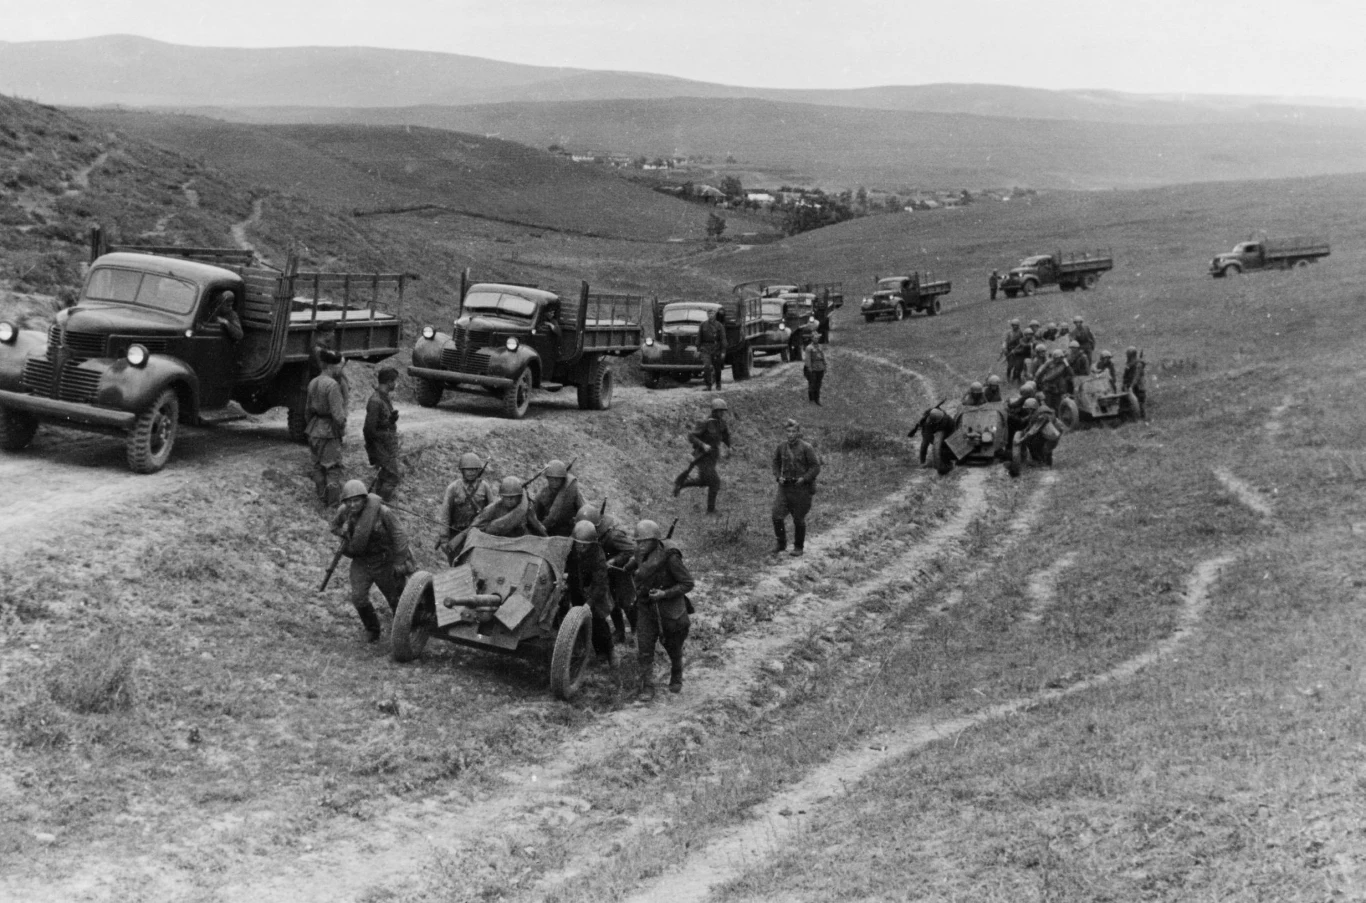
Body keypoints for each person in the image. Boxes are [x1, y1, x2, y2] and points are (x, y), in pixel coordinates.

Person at [330, 479, 414, 641]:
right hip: (361, 561)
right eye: (349, 501)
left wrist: (399, 561)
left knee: (396, 598)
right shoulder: (344, 511)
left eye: (356, 501)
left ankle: (405, 630)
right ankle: (372, 629)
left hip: (384, 561)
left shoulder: (383, 512)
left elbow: (400, 535)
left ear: (364, 499)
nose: (353, 505)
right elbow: (333, 527)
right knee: (358, 597)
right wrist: (343, 531)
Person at [633, 518, 695, 697]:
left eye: (644, 541)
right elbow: (637, 565)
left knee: (673, 646)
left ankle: (677, 673)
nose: (640, 545)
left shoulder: (671, 557)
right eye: (638, 541)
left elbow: (687, 583)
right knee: (644, 647)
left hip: (668, 608)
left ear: (654, 541)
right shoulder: (639, 553)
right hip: (646, 606)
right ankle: (647, 686)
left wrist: (665, 594)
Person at [576, 503, 638, 643]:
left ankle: (636, 629)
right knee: (612, 603)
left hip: (621, 574)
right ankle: (620, 632)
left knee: (626, 603)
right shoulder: (588, 536)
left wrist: (614, 561)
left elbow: (632, 550)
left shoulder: (613, 535)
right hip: (605, 574)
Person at [567, 521, 617, 669]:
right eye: (578, 544)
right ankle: (597, 652)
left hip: (594, 592)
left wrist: (589, 603)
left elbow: (600, 584)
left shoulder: (598, 556)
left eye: (585, 545)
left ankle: (610, 651)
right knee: (581, 622)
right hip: (577, 587)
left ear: (592, 544)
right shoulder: (572, 549)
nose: (581, 548)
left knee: (598, 621)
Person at [771, 418, 821, 557]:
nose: (791, 434)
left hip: (801, 488)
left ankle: (798, 547)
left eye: (793, 431)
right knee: (776, 515)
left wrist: (804, 478)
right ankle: (781, 543)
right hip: (785, 487)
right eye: (788, 431)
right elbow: (775, 463)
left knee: (798, 518)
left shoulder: (806, 447)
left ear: (798, 433)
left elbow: (815, 467)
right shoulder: (781, 447)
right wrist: (777, 476)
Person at [674, 397, 732, 514]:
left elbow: (725, 436)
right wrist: (703, 444)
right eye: (720, 411)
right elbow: (691, 436)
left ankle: (682, 484)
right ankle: (711, 510)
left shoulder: (722, 423)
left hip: (713, 457)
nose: (722, 413)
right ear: (714, 411)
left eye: (723, 411)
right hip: (703, 457)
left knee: (704, 481)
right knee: (715, 482)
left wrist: (730, 447)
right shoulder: (705, 423)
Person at [306, 349, 348, 507]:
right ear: (333, 366)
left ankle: (321, 498)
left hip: (314, 429)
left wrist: (311, 428)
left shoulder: (313, 382)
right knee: (332, 468)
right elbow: (338, 415)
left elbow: (307, 411)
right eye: (339, 366)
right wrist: (343, 430)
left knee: (318, 466)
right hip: (329, 431)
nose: (340, 369)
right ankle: (332, 504)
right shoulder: (332, 385)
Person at [438, 453, 496, 563]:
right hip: (457, 533)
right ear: (462, 470)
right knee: (457, 564)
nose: (471, 472)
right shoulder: (453, 488)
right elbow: (445, 514)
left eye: (474, 469)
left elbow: (492, 510)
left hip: (478, 533)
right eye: (468, 470)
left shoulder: (484, 487)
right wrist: (444, 539)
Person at [363, 367, 402, 501]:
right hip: (380, 447)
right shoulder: (376, 401)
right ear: (389, 382)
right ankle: (381, 504)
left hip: (385, 446)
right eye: (394, 381)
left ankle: (375, 503)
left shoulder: (383, 397)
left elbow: (379, 423)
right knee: (393, 476)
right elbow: (368, 430)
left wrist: (390, 421)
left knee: (385, 475)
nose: (396, 384)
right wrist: (374, 450)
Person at [470, 477, 548, 539]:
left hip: (519, 542)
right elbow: (475, 526)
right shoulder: (492, 508)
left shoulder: (527, 508)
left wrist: (546, 537)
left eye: (513, 497)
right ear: (502, 496)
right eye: (507, 497)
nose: (510, 500)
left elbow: (536, 526)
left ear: (519, 497)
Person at [532, 459, 584, 536]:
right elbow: (535, 517)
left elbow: (582, 509)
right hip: (550, 533)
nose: (555, 481)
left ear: (563, 479)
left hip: (571, 531)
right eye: (551, 478)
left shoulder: (571, 491)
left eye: (558, 478)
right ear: (547, 478)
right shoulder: (542, 495)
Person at [1019, 397, 1064, 467]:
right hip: (1046, 431)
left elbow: (1034, 429)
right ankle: (1038, 460)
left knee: (1046, 449)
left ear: (1031, 408)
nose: (1027, 411)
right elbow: (1031, 420)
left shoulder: (1043, 415)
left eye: (1027, 409)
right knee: (1032, 443)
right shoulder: (1037, 411)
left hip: (1053, 433)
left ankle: (1046, 465)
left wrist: (1023, 438)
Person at [698, 307, 727, 391]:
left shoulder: (719, 326)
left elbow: (723, 339)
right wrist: (698, 349)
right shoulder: (703, 325)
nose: (711, 315)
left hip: (716, 348)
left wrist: (723, 351)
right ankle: (708, 385)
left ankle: (718, 384)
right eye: (709, 313)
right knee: (706, 366)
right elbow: (699, 338)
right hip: (705, 348)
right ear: (707, 315)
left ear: (715, 315)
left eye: (712, 314)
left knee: (717, 368)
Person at [1123, 346, 1147, 420]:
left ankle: (1142, 419)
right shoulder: (1131, 364)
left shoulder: (1138, 365)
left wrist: (1131, 386)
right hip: (1133, 387)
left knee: (1140, 403)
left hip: (1139, 387)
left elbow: (1136, 377)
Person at [802, 337, 827, 404]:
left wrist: (825, 366)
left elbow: (823, 356)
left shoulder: (820, 347)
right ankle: (811, 399)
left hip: (820, 367)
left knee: (818, 384)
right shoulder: (809, 348)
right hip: (813, 368)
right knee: (812, 383)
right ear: (812, 339)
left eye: (817, 338)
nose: (816, 339)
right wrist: (809, 368)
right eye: (815, 338)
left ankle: (817, 399)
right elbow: (807, 359)